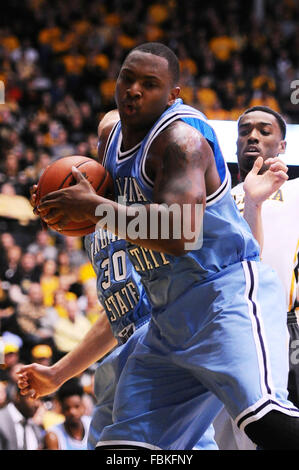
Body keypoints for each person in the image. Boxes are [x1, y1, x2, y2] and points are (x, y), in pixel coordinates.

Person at [32, 42, 299, 450]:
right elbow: (93, 188)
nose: (134, 90)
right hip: (166, 318)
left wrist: (95, 207)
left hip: (224, 297)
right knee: (123, 451)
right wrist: (56, 200)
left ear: (173, 94)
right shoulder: (111, 136)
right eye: (127, 79)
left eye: (150, 84)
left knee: (267, 425)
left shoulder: (182, 141)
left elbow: (181, 235)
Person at [17, 110, 219, 450]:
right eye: (105, 137)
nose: (115, 145)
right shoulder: (93, 228)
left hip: (168, 344)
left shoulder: (158, 194)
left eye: (126, 135)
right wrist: (59, 374)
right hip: (125, 353)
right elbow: (117, 313)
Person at [213, 105, 299, 450]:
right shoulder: (213, 203)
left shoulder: (296, 192)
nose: (253, 136)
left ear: (282, 146)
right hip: (222, 330)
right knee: (227, 441)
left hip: (281, 327)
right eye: (245, 130)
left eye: (265, 131)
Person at [44, 378, 91, 450]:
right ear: (61, 409)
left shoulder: (92, 425)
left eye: (77, 406)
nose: (72, 412)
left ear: (83, 405)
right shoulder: (54, 436)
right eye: (67, 408)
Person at [0, 385, 44, 450]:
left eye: (40, 399)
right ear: (17, 396)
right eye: (33, 398)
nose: (37, 404)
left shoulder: (34, 424)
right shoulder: (2, 421)